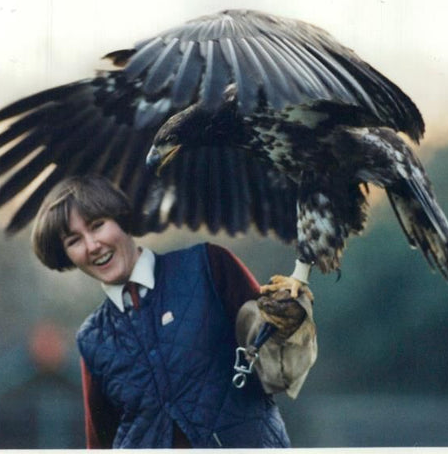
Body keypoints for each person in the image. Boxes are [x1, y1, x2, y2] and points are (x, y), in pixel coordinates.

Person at [30, 175, 317, 449]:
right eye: (73, 241)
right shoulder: (91, 339)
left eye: (97, 225)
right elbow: (100, 442)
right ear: (65, 254)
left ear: (121, 219)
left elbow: (281, 366)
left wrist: (291, 320)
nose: (92, 246)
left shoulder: (210, 266)